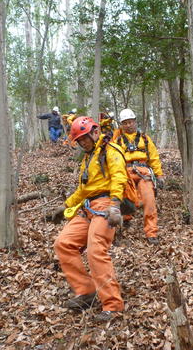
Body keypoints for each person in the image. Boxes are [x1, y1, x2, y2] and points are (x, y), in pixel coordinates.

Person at [53, 116, 127, 322]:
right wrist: (65, 206)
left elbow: (119, 177)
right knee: (63, 243)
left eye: (84, 138)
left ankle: (113, 305)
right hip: (87, 208)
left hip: (105, 205)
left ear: (95, 132)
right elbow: (83, 190)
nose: (82, 143)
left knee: (96, 250)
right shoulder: (88, 158)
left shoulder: (110, 151)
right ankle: (86, 292)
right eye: (79, 140)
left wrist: (115, 205)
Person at [113, 108, 165, 245]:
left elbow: (154, 157)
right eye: (125, 123)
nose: (128, 125)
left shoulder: (145, 139)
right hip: (125, 173)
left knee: (149, 201)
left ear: (135, 122)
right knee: (124, 198)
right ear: (121, 125)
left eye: (130, 122)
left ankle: (151, 232)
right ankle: (126, 219)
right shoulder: (117, 140)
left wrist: (159, 175)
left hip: (144, 173)